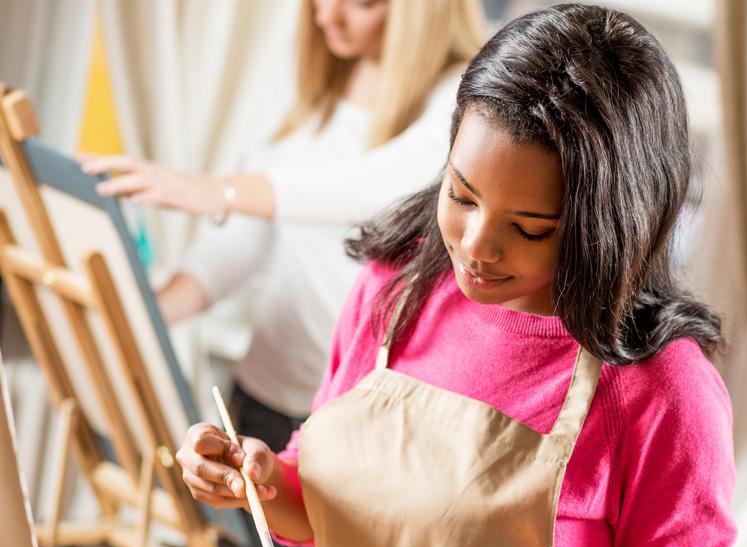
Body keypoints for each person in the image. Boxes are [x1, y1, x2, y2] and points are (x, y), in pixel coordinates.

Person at [175, 5, 736, 547]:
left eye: (530, 228)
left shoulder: (659, 393)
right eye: (462, 195)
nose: (474, 246)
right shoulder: (394, 287)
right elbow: (324, 505)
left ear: (608, 220)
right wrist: (262, 481)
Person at [81, 0, 487, 502]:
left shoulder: (467, 93)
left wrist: (222, 190)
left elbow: (385, 184)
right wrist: (158, 310)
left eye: (360, 4)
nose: (325, 17)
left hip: (361, 420)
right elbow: (252, 236)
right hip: (262, 397)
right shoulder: (310, 84)